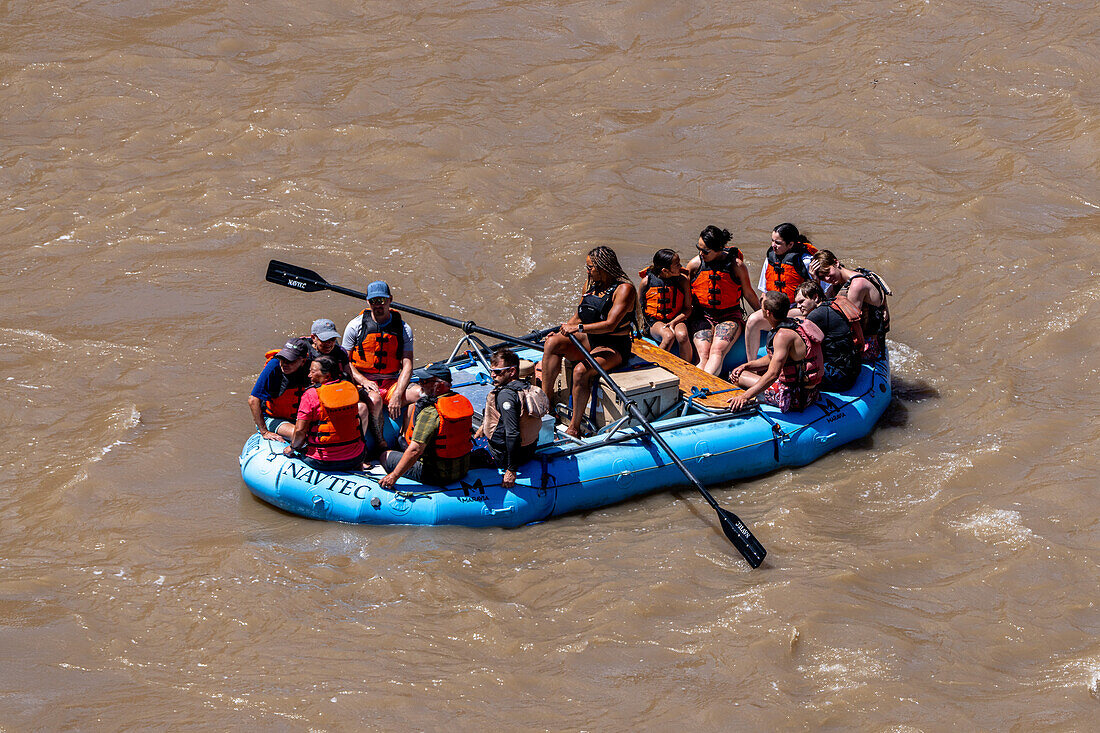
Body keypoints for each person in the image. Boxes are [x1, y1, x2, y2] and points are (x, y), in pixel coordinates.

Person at [540, 246, 638, 437]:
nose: (587, 270)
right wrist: (563, 331)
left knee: (580, 371)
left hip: (613, 346)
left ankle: (574, 427)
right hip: (590, 339)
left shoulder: (625, 289)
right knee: (552, 343)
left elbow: (610, 325)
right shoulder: (590, 285)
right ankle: (546, 404)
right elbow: (579, 314)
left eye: (590, 267)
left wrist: (578, 329)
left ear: (604, 267)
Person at [342, 281, 416, 450]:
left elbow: (408, 364)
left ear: (390, 300)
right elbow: (344, 361)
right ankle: (380, 441)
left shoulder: (404, 328)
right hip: (364, 381)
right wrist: (363, 380)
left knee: (420, 394)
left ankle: (404, 437)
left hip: (391, 382)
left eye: (382, 300)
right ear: (368, 302)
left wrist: (398, 394)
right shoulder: (355, 326)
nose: (378, 305)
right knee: (375, 400)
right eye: (374, 301)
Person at [380, 362, 472, 488]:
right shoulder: (460, 402)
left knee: (385, 456)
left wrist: (393, 476)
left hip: (436, 474)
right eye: (420, 381)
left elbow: (415, 450)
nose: (420, 384)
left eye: (424, 381)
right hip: (462, 469)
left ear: (439, 386)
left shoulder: (430, 412)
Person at [727, 292, 824, 412]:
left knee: (736, 376)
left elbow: (773, 374)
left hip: (793, 397)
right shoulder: (795, 323)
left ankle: (735, 407)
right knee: (743, 371)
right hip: (810, 392)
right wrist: (747, 365)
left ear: (768, 312)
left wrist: (745, 396)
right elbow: (772, 358)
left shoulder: (782, 336)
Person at [684, 225, 760, 375]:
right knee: (703, 353)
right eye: (698, 248)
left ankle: (702, 385)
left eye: (705, 251)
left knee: (717, 351)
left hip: (729, 316)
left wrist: (766, 317)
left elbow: (749, 294)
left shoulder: (737, 266)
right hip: (702, 315)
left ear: (718, 249)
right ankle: (696, 384)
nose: (701, 253)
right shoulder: (694, 265)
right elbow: (685, 295)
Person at [744, 223, 819, 363]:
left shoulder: (806, 261)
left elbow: (822, 295)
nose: (773, 245)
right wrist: (764, 311)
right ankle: (751, 364)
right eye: (772, 241)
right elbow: (764, 293)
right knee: (752, 321)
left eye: (778, 243)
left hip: (797, 310)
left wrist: (815, 279)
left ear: (790, 244)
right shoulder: (770, 259)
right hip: (775, 309)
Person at [473, 348, 548, 488]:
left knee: (464, 454)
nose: (493, 375)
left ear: (512, 371)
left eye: (497, 372)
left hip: (502, 455)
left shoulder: (505, 395)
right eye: (491, 371)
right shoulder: (527, 387)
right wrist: (484, 427)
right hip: (529, 450)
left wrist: (511, 470)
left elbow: (512, 432)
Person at [282, 355, 367, 471]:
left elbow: (300, 430)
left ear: (327, 375)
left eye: (313, 372)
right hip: (356, 457)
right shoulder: (350, 388)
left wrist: (292, 448)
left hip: (322, 461)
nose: (309, 375)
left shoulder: (311, 394)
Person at [810, 250, 892, 361]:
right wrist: (815, 281)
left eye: (827, 272)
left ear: (836, 263)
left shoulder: (857, 285)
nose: (827, 279)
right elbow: (822, 307)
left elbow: (848, 323)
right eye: (822, 277)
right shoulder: (837, 284)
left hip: (870, 345)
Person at [794, 281, 860, 392]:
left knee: (792, 371)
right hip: (852, 369)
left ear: (815, 297)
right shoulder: (832, 305)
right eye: (796, 303)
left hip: (838, 378)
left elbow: (803, 348)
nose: (798, 306)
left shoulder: (815, 316)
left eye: (801, 302)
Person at [248, 338, 312, 442]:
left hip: (301, 419)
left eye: (290, 360)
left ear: (303, 361)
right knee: (299, 435)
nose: (284, 364)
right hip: (273, 418)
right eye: (283, 359)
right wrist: (264, 432)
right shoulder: (274, 366)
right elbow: (253, 400)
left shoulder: (312, 368)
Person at [638, 248, 692, 357]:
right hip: (655, 322)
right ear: (665, 270)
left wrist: (673, 322)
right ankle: (656, 366)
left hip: (677, 318)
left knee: (682, 336)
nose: (680, 267)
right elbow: (638, 308)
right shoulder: (646, 282)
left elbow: (687, 308)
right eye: (677, 265)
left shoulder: (683, 281)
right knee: (668, 336)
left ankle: (687, 368)